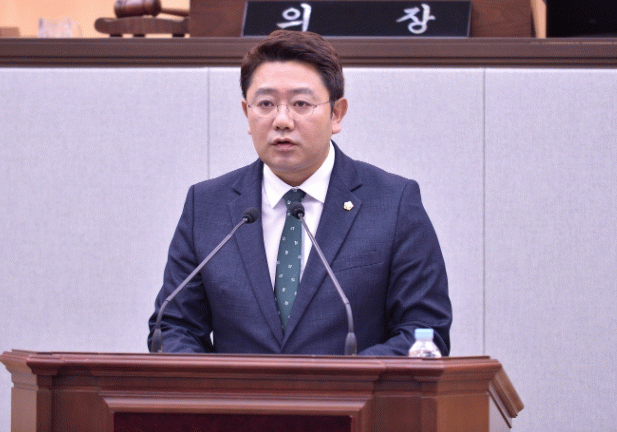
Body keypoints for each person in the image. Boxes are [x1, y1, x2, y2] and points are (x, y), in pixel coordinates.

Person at [148, 30, 452, 356]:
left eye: (301, 104)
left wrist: (343, 380)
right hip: (235, 392)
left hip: (354, 390)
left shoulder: (393, 203)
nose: (282, 120)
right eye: (266, 104)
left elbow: (425, 333)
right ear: (247, 113)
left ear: (337, 114)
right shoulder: (207, 206)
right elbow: (173, 327)